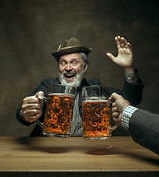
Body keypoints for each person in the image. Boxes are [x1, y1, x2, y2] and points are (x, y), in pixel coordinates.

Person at [16, 36, 144, 136]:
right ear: (59, 68)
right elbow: (22, 112)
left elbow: (132, 99)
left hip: (87, 151)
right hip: (51, 150)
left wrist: (128, 68)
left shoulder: (95, 87)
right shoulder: (48, 85)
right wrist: (25, 112)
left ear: (84, 67)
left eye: (74, 62)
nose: (68, 68)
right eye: (63, 63)